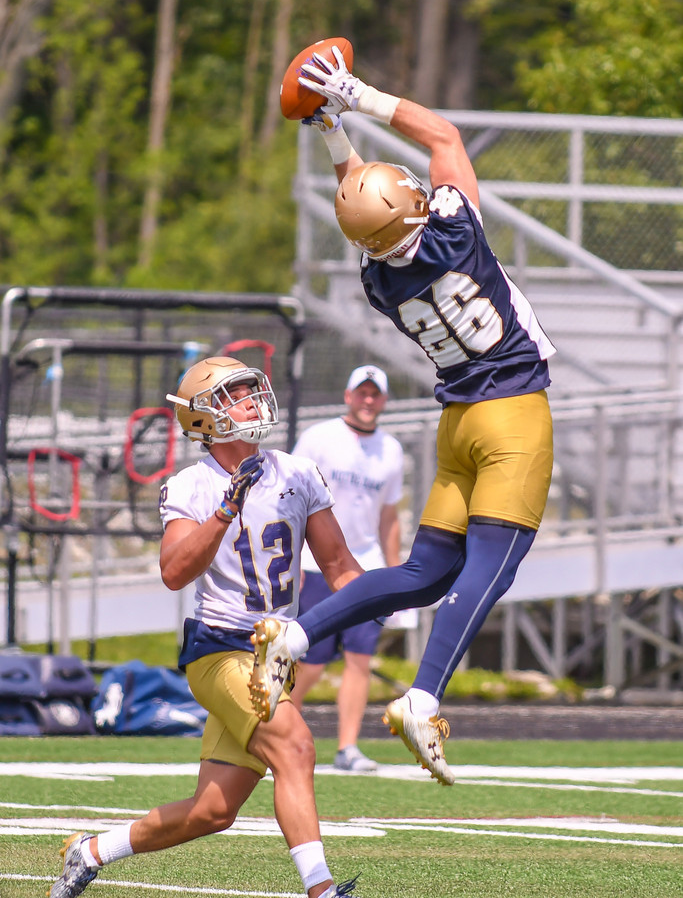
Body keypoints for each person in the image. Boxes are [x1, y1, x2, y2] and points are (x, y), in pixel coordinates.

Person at [249, 47, 555, 787]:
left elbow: (362, 208)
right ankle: (422, 696)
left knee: (421, 572)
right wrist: (355, 97)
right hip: (511, 416)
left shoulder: (375, 276)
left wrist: (331, 134)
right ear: (414, 203)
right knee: (491, 566)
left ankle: (294, 632)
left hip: (456, 425)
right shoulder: (455, 231)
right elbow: (442, 138)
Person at [48, 355, 362, 898]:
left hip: (274, 657)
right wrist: (223, 511)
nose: (253, 401)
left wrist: (402, 594)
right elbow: (173, 572)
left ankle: (92, 850)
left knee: (213, 811)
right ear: (205, 417)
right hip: (220, 649)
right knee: (296, 747)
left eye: (251, 390)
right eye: (236, 394)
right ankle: (322, 891)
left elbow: (338, 566)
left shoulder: (298, 472)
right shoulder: (191, 486)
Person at [292, 363, 404, 773]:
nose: (368, 400)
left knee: (360, 657)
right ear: (348, 395)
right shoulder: (320, 438)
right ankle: (274, 730)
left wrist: (397, 578)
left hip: (366, 566)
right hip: (317, 563)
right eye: (363, 392)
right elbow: (291, 500)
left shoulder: (391, 450)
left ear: (385, 400)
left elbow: (389, 517)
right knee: (312, 658)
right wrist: (292, 561)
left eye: (376, 394)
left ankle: (348, 747)